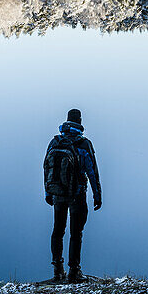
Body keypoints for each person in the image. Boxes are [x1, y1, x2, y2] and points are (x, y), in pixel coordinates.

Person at [43, 108, 102, 282]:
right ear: (80, 122)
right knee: (76, 233)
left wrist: (48, 192)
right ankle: (74, 271)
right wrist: (97, 196)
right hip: (77, 194)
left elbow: (46, 168)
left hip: (58, 194)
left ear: (67, 121)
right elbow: (92, 172)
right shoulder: (84, 144)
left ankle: (57, 269)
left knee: (58, 230)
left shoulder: (55, 142)